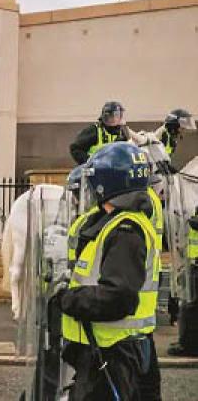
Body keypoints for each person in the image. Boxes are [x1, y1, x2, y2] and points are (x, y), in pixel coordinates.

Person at [57, 142, 161, 401]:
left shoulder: (125, 232)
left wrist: (68, 299)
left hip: (116, 357)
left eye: (91, 185)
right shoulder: (113, 223)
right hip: (110, 352)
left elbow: (119, 297)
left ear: (106, 185)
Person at [168, 206, 198, 357]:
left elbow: (194, 223)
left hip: (195, 266)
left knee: (190, 307)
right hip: (193, 265)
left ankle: (189, 344)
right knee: (189, 305)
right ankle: (188, 342)